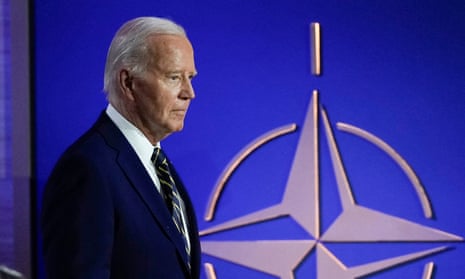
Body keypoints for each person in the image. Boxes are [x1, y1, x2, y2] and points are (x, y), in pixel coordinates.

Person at [40, 17, 200, 279]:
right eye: (173, 77)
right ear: (128, 83)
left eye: (190, 77)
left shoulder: (156, 163)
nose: (189, 92)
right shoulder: (87, 169)